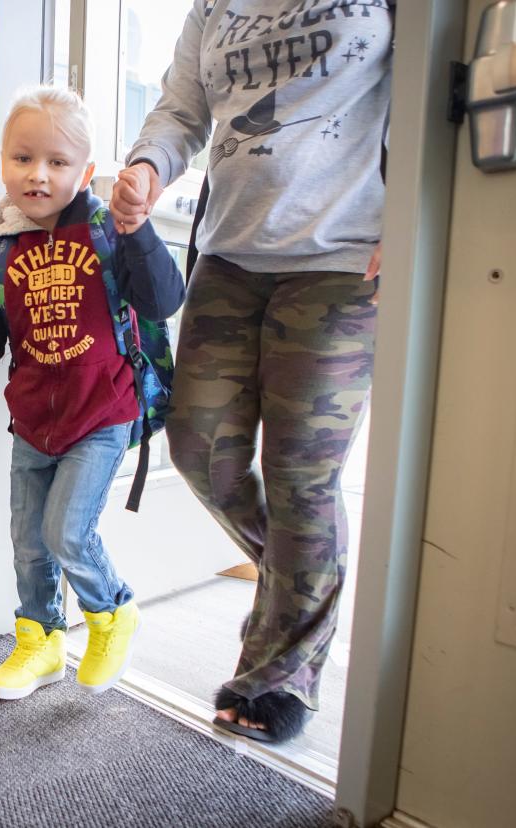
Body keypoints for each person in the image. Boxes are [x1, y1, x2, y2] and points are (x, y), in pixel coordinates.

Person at [110, 0, 392, 743]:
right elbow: (181, 110)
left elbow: (430, 85)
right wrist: (147, 166)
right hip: (229, 255)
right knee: (200, 451)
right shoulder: (214, 7)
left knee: (303, 476)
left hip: (343, 255)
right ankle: (298, 584)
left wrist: (419, 209)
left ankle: (280, 672)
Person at [0, 86, 182, 700]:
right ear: (3, 161)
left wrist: (140, 231)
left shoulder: (109, 228)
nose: (38, 175)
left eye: (57, 162)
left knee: (67, 533)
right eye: (22, 158)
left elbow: (163, 300)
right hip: (32, 423)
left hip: (102, 412)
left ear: (86, 172)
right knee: (29, 544)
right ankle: (42, 643)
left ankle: (113, 611)